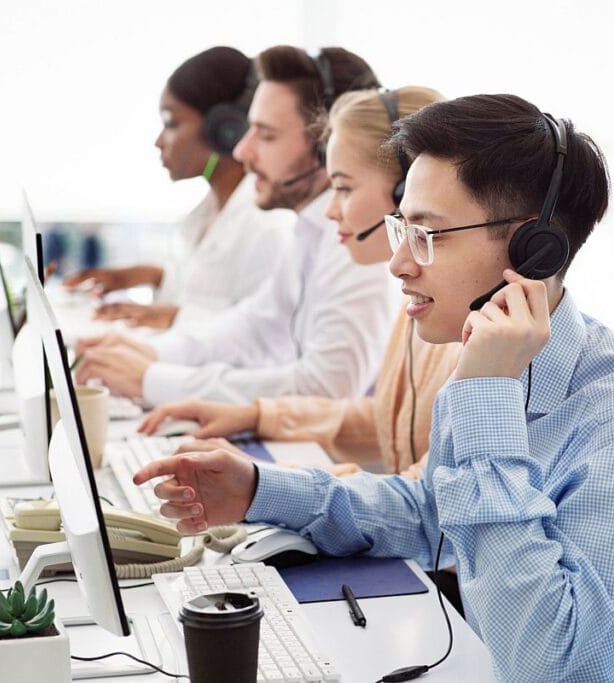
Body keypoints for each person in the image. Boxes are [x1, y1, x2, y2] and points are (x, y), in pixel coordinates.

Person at [133, 95, 614, 681]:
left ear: (532, 251)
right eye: (400, 229)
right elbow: (430, 515)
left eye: (427, 235)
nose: (398, 264)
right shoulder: (490, 365)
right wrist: (261, 490)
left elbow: (547, 663)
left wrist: (486, 398)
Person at [139, 86, 460, 479]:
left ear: (405, 192)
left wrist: (264, 480)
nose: (329, 210)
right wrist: (257, 416)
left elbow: (423, 500)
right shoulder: (420, 306)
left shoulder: (464, 327)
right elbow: (388, 422)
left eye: (343, 188)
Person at [74, 47, 400, 406]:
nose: (242, 151)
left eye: (266, 135)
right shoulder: (309, 229)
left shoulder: (355, 240)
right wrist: (150, 354)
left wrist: (154, 380)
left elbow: (328, 389)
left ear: (326, 146)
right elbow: (254, 326)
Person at [63, 46, 291, 329]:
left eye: (171, 123)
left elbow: (258, 337)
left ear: (223, 129)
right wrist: (146, 275)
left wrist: (163, 317)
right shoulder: (210, 210)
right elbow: (202, 294)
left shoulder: (266, 226)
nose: (159, 141)